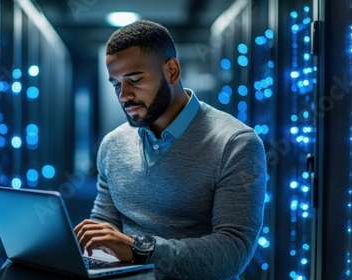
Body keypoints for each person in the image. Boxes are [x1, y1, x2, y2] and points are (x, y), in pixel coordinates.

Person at [74, 20, 267, 280]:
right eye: (116, 84)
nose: (124, 95)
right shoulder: (113, 144)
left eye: (135, 79)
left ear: (172, 71)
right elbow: (102, 227)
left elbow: (233, 253)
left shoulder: (236, 143)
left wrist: (138, 249)